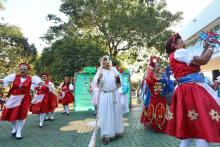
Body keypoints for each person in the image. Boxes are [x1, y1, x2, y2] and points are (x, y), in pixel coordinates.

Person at [165, 33, 220, 147]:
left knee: (190, 132)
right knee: (202, 126)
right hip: (192, 90)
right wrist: (211, 45)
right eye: (180, 40)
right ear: (174, 45)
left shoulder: (175, 56)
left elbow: (199, 59)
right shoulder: (180, 52)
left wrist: (206, 46)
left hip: (185, 90)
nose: (182, 40)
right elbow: (203, 60)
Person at [0, 63, 41, 139]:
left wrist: (43, 83)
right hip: (14, 98)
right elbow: (3, 81)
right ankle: (14, 127)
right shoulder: (14, 76)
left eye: (24, 69)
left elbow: (39, 83)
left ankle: (19, 132)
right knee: (10, 113)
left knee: (22, 115)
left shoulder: (31, 78)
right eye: (21, 69)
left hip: (24, 99)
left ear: (27, 70)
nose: (22, 71)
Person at [93, 55, 124, 145]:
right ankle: (106, 135)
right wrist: (99, 79)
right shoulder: (100, 71)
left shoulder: (113, 70)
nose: (105, 62)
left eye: (107, 60)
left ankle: (117, 131)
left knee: (116, 113)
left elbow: (119, 84)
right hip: (105, 96)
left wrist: (117, 78)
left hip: (114, 94)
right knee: (106, 115)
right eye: (104, 60)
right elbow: (96, 84)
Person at [140, 56, 168, 132]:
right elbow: (147, 79)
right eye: (156, 66)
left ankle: (162, 126)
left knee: (162, 110)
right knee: (154, 110)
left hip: (162, 97)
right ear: (153, 67)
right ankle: (155, 126)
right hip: (154, 97)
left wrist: (165, 86)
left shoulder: (163, 75)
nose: (158, 67)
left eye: (159, 66)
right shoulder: (150, 76)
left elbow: (169, 84)